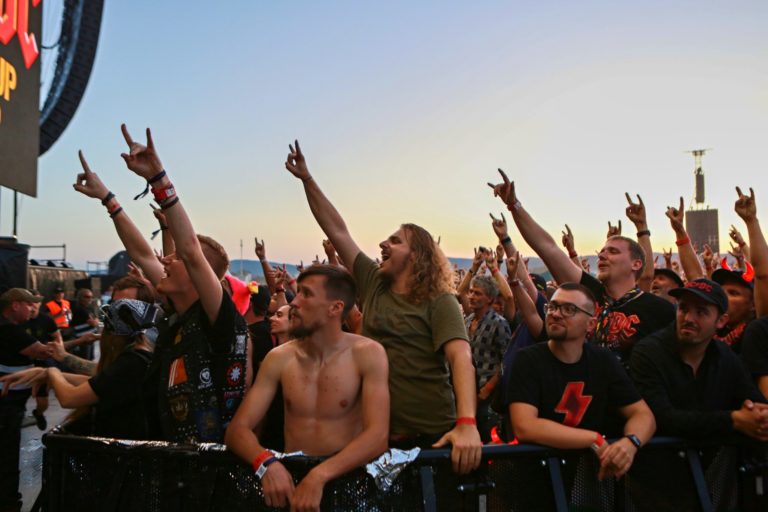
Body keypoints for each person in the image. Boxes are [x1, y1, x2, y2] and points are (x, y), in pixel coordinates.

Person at [283, 140, 481, 474]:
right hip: (379, 438)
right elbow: (337, 230)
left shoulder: (440, 300)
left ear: (416, 255)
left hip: (433, 437)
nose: (382, 244)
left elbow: (461, 358)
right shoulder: (374, 282)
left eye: (394, 241)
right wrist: (307, 179)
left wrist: (467, 424)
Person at [74, 126, 250, 443]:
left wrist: (158, 179)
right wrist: (108, 199)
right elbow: (142, 253)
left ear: (198, 274)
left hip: (206, 467)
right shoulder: (178, 311)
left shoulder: (218, 322)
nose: (166, 260)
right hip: (167, 457)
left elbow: (191, 252)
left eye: (176, 258)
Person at [225, 265, 389, 510]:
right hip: (292, 488)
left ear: (335, 308)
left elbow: (377, 437)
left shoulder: (367, 354)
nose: (295, 302)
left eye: (307, 294)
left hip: (348, 490)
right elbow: (237, 430)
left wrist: (319, 476)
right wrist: (266, 463)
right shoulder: (279, 358)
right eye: (298, 292)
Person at [488, 171, 675, 363]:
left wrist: (642, 228)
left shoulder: (659, 310)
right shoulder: (589, 294)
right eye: (602, 251)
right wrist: (514, 205)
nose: (602, 255)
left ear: (636, 264)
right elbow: (548, 248)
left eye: (613, 251)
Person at [508, 283, 655, 481]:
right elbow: (525, 426)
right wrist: (593, 439)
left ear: (591, 324)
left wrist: (630, 443)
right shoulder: (528, 359)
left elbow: (643, 415)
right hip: (533, 480)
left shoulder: (603, 360)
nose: (556, 314)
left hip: (588, 479)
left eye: (569, 309)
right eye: (553, 307)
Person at [2, 277, 159, 440]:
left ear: (144, 312)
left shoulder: (137, 355)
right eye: (114, 304)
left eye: (126, 307)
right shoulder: (133, 348)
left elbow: (70, 398)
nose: (116, 313)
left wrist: (52, 372)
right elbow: (102, 380)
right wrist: (47, 373)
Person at [630, 278, 768, 441]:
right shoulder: (648, 353)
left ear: (721, 321)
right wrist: (732, 420)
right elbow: (661, 417)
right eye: (683, 308)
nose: (688, 318)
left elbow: (750, 396)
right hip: (663, 454)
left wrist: (760, 415)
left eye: (701, 312)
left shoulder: (725, 356)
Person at [0, 288, 52, 512]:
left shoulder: (15, 328)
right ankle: (8, 503)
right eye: (29, 304)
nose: (32, 308)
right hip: (7, 406)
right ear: (15, 305)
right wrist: (81, 341)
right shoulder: (10, 331)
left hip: (12, 403)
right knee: (7, 458)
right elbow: (44, 351)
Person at [465, 274, 511, 442]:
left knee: (487, 440)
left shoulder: (499, 323)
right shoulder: (467, 321)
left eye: (477, 293)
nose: (471, 296)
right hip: (469, 391)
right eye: (471, 292)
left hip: (489, 395)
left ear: (490, 298)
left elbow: (507, 361)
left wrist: (488, 388)